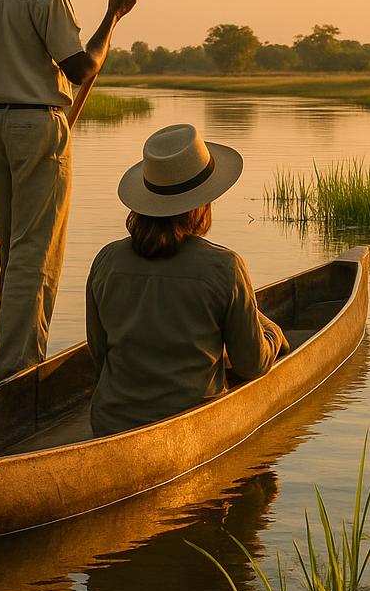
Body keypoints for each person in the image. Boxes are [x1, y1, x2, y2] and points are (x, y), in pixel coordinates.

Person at [0, 0, 138, 381]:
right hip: (37, 127)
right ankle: (19, 376)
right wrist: (113, 17)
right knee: (35, 255)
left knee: (14, 250)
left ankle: (10, 367)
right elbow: (82, 67)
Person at [85, 123, 289, 437]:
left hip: (110, 424)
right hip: (193, 428)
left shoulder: (106, 261)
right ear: (202, 204)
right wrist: (273, 335)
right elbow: (252, 365)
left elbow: (99, 357)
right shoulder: (225, 267)